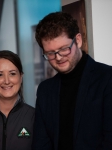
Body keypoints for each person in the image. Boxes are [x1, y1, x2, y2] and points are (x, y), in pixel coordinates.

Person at [32, 12, 112, 150]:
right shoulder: (45, 90)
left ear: (78, 40)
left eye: (64, 49)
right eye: (50, 53)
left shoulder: (107, 78)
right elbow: (41, 143)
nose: (58, 57)